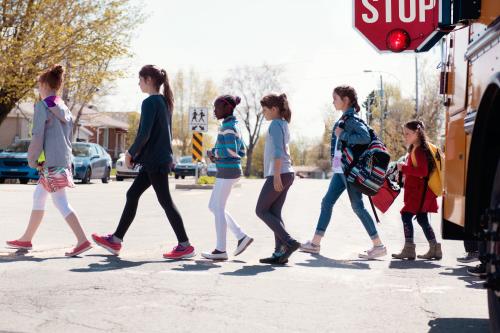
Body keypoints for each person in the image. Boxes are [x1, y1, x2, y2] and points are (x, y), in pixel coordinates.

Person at [92, 65, 195, 259]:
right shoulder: (164, 101)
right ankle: (115, 240)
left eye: (140, 80)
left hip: (155, 160)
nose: (138, 83)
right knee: (133, 194)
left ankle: (185, 245)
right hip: (156, 159)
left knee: (165, 201)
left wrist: (130, 153)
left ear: (148, 80)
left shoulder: (150, 102)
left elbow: (144, 134)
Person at [6, 65, 91, 257]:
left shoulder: (43, 107)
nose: (38, 89)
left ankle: (82, 240)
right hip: (62, 160)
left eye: (38, 86)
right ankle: (26, 239)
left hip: (51, 162)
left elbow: (37, 136)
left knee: (60, 201)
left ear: (44, 84)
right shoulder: (64, 108)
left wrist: (31, 159)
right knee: (39, 196)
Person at [301, 85, 387, 259]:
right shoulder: (345, 119)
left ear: (346, 100)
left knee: (357, 207)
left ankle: (378, 245)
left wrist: (343, 135)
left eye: (335, 98)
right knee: (327, 202)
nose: (333, 101)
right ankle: (315, 243)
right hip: (341, 171)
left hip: (349, 171)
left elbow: (365, 137)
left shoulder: (351, 119)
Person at [201, 95, 253, 260]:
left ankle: (221, 249)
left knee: (218, 208)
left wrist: (213, 153)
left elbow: (231, 151)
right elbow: (242, 151)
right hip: (227, 170)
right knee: (214, 207)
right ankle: (240, 236)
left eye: (217, 108)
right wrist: (219, 153)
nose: (214, 111)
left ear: (227, 108)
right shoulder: (233, 125)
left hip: (227, 171)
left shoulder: (228, 127)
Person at [256, 93, 299, 265]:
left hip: (280, 172)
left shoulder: (275, 124)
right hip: (287, 172)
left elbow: (278, 152)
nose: (263, 113)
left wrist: (276, 174)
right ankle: (279, 253)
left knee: (261, 210)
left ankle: (289, 242)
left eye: (265, 110)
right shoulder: (283, 124)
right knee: (274, 213)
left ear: (274, 109)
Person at [392, 121, 442, 260]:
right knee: (422, 218)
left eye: (408, 134)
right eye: (404, 134)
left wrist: (404, 168)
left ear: (417, 133)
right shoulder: (417, 148)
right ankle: (435, 249)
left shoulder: (419, 149)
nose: (405, 136)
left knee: (406, 215)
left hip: (419, 191)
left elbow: (423, 171)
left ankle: (409, 249)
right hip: (422, 191)